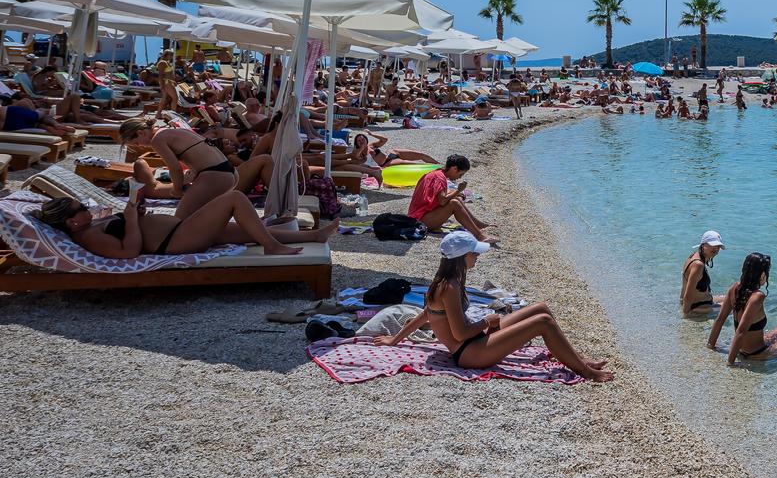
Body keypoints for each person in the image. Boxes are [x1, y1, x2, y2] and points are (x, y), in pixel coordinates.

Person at [377, 232, 612, 381]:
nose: (477, 257)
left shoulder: (450, 279)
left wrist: (394, 340)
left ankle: (578, 359)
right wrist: (486, 322)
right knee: (543, 323)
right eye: (474, 253)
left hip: (475, 340)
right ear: (462, 256)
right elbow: (459, 333)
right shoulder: (448, 286)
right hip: (469, 353)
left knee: (540, 308)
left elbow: (423, 316)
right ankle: (586, 372)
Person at [35, 189, 333, 258]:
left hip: (178, 232)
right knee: (235, 198)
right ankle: (271, 247)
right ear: (72, 222)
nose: (86, 208)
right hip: (176, 241)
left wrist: (135, 213)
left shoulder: (91, 227)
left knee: (247, 231)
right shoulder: (88, 239)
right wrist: (130, 221)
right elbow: (128, 252)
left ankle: (315, 236)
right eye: (81, 208)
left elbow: (131, 231)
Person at [707, 253, 777, 366]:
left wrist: (711, 345)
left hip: (749, 347)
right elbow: (741, 330)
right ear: (761, 274)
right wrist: (730, 362)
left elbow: (720, 319)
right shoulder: (757, 296)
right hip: (758, 353)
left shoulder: (735, 287)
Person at [120, 117, 240, 219]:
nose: (140, 147)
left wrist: (177, 190)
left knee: (180, 221)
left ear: (141, 133)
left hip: (215, 175)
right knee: (202, 216)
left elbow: (175, 168)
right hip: (229, 171)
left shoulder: (157, 139)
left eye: (136, 143)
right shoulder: (170, 131)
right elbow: (199, 156)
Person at [408, 154, 499, 243]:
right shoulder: (438, 177)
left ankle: (478, 225)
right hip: (419, 221)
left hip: (422, 215)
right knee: (454, 203)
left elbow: (436, 196)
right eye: (460, 174)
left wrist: (456, 194)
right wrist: (458, 190)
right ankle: (480, 236)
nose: (460, 177)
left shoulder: (437, 173)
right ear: (454, 168)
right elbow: (442, 201)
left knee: (457, 200)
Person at [680, 230, 725, 316]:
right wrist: (686, 315)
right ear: (703, 245)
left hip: (703, 302)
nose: (716, 249)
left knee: (732, 297)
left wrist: (681, 302)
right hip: (698, 307)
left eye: (718, 246)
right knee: (735, 305)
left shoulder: (693, 257)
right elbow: (688, 294)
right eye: (713, 245)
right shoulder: (698, 265)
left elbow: (684, 288)